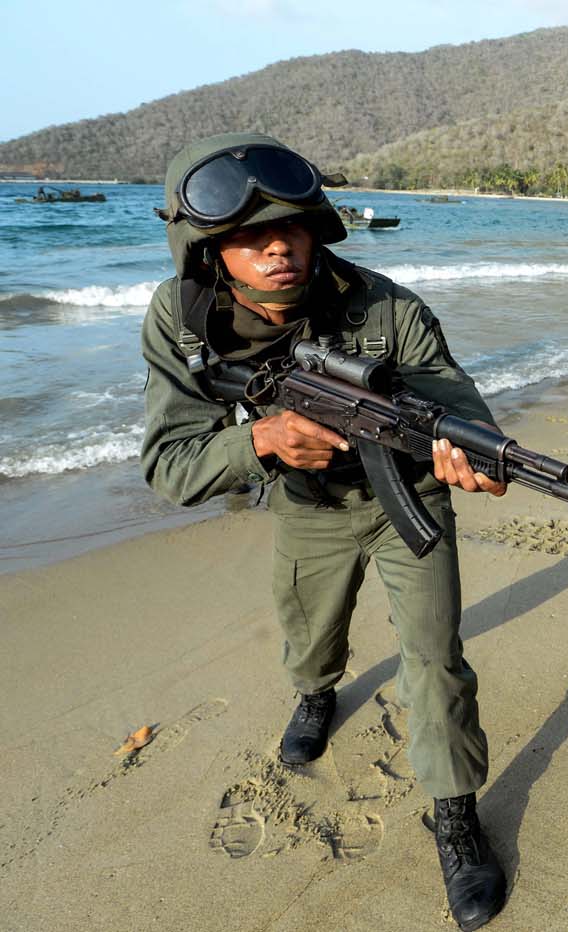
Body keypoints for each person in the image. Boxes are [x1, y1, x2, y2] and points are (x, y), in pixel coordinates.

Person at [140, 133, 507, 931]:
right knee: (310, 640)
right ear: (207, 252)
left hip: (407, 498)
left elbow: (466, 412)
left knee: (436, 662)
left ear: (319, 228)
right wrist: (260, 441)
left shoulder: (389, 308)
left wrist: (475, 457)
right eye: (249, 236)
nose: (278, 246)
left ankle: (454, 815)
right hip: (306, 505)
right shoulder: (183, 319)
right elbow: (169, 466)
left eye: (294, 228)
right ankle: (314, 697)